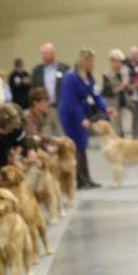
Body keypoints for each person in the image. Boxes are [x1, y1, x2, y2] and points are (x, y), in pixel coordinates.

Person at [58, 47, 108, 189]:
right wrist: (81, 119)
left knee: (83, 145)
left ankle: (86, 178)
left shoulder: (89, 76)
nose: (92, 63)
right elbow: (70, 101)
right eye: (90, 60)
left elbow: (96, 94)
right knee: (76, 146)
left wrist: (105, 108)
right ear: (83, 61)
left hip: (82, 113)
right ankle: (79, 180)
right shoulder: (71, 77)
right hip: (70, 115)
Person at [31, 42, 70, 136]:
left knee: (63, 135)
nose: (43, 56)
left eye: (45, 54)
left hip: (60, 107)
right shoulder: (37, 71)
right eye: (42, 54)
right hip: (44, 110)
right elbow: (33, 90)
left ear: (53, 54)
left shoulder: (65, 69)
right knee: (46, 135)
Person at [102, 49, 133, 138]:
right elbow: (107, 92)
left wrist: (129, 86)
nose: (118, 63)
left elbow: (130, 90)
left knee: (128, 130)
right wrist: (122, 85)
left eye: (120, 61)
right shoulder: (106, 74)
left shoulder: (125, 71)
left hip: (126, 105)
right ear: (111, 61)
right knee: (116, 131)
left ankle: (128, 150)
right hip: (113, 107)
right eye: (115, 61)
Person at [125, 46, 138, 138]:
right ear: (129, 54)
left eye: (136, 54)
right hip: (127, 94)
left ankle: (137, 135)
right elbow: (123, 77)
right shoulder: (125, 64)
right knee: (130, 116)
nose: (134, 55)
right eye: (132, 53)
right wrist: (129, 85)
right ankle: (130, 136)